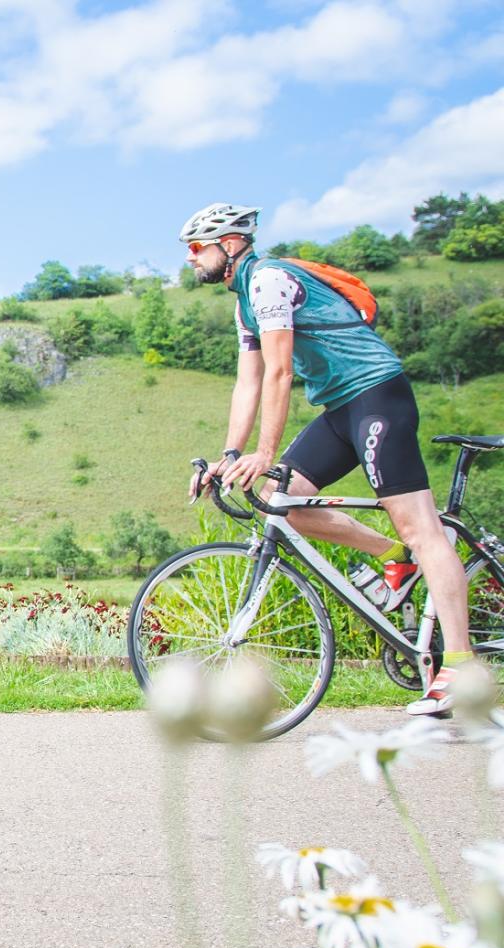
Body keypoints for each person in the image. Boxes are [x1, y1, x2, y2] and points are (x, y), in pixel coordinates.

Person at [181, 202, 472, 715]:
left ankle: (462, 666)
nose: (190, 258)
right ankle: (393, 558)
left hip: (378, 397)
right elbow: (247, 380)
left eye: (196, 248)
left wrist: (264, 452)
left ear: (229, 245)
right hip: (340, 407)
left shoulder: (268, 279)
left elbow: (279, 374)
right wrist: (230, 455)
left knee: (422, 530)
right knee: (280, 498)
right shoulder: (245, 298)